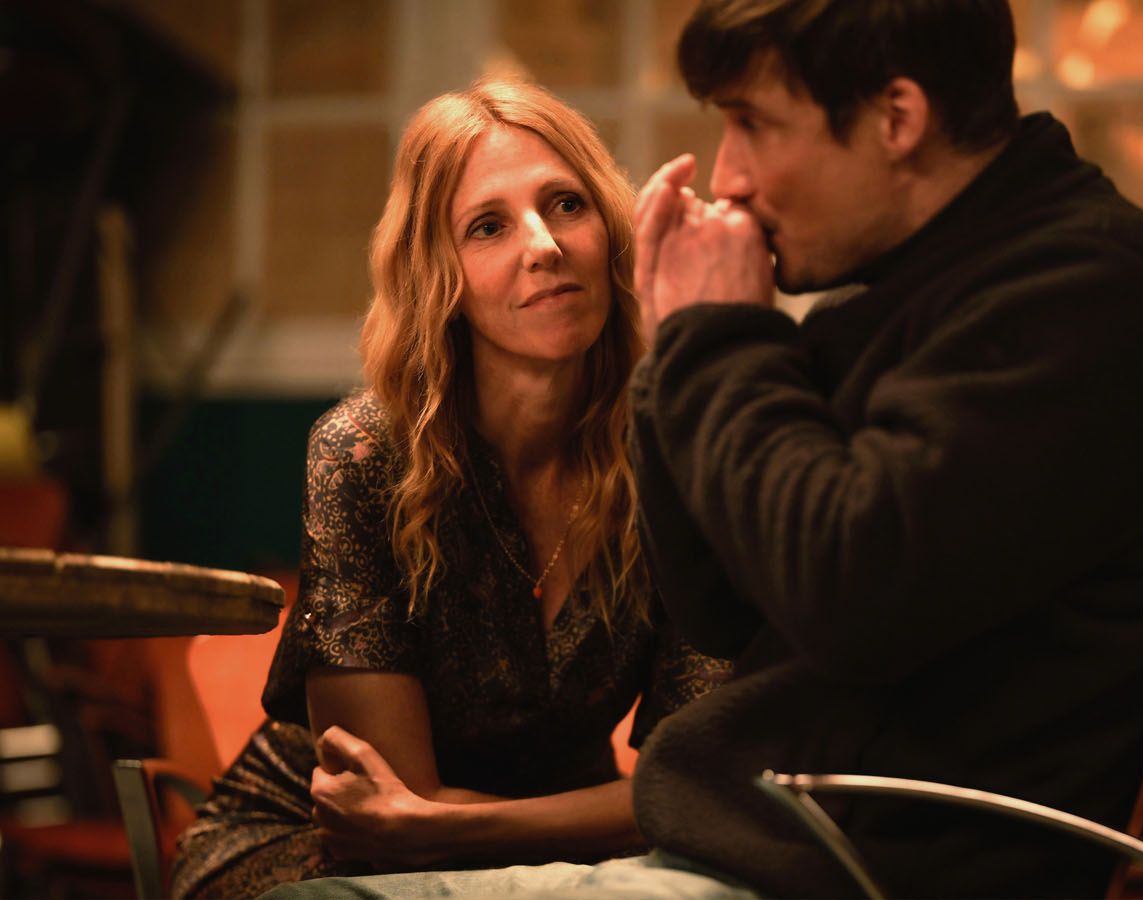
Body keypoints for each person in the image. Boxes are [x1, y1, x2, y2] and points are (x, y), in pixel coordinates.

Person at [267, 1, 1143, 897]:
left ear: (896, 118)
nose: (728, 175)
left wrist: (716, 339)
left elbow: (845, 596)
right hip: (758, 845)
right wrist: (686, 355)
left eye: (753, 124)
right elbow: (725, 603)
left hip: (847, 868)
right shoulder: (916, 296)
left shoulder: (1085, 291)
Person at [169, 77, 727, 899]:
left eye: (567, 204)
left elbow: (704, 787)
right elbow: (387, 817)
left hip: (562, 864)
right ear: (442, 276)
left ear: (610, 232)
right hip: (314, 850)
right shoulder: (363, 455)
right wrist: (616, 818)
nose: (544, 245)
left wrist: (472, 827)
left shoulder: (680, 459)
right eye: (487, 226)